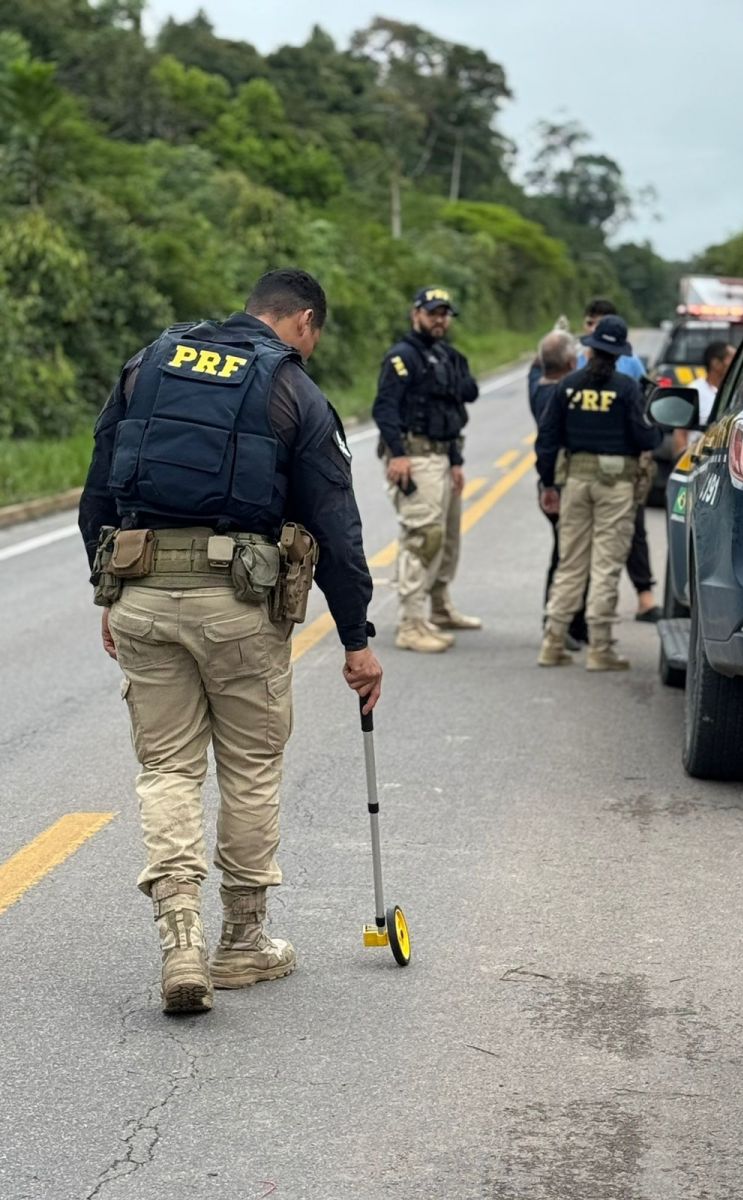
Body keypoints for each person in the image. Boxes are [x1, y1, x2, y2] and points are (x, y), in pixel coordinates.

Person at [78, 268, 382, 1015]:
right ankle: (241, 945)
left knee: (168, 768)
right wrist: (357, 640)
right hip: (240, 605)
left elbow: (97, 493)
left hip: (144, 594)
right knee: (247, 765)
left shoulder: (148, 365)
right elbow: (336, 526)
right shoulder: (292, 390)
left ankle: (178, 937)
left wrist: (110, 595)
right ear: (303, 322)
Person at [536, 315, 662, 671]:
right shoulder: (626, 388)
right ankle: (600, 648)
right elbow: (644, 438)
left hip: (575, 482)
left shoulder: (568, 386)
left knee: (570, 562)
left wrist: (549, 484)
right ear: (619, 352)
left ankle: (552, 642)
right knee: (605, 566)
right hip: (616, 486)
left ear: (590, 349)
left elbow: (546, 440)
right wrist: (657, 426)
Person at [373, 286, 481, 653]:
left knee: (448, 538)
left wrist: (456, 462)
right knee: (423, 538)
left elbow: (449, 414)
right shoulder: (402, 358)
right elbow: (385, 409)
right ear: (415, 313)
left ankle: (439, 606)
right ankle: (410, 624)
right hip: (415, 459)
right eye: (433, 312)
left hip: (442, 457)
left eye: (445, 313)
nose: (440, 319)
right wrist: (399, 455)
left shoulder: (445, 357)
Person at [580, 296, 661, 623]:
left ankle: (644, 597)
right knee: (580, 543)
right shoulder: (575, 360)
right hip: (585, 463)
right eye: (590, 323)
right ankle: (582, 616)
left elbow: (645, 404)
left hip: (624, 463)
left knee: (633, 532)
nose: (595, 329)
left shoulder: (631, 368)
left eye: (601, 323)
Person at [528, 329, 586, 647]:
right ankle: (560, 623)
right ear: (568, 362)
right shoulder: (563, 393)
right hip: (561, 481)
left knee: (565, 551)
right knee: (568, 555)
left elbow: (537, 366)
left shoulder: (537, 387)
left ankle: (569, 622)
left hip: (550, 481)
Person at [673, 340, 736, 455]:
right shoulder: (694, 390)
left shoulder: (738, 391)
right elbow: (680, 432)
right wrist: (681, 459)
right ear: (716, 363)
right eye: (732, 358)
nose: (737, 362)